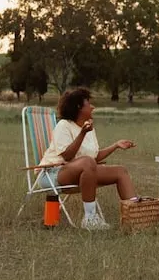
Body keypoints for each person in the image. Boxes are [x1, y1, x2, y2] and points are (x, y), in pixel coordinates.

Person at [36, 87, 138, 230]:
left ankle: (135, 217)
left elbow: (94, 157)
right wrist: (82, 133)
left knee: (120, 171)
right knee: (87, 162)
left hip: (83, 172)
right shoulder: (63, 126)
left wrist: (115, 146)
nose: (93, 107)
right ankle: (90, 218)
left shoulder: (88, 128)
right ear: (79, 107)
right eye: (89, 104)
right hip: (53, 173)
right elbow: (67, 156)